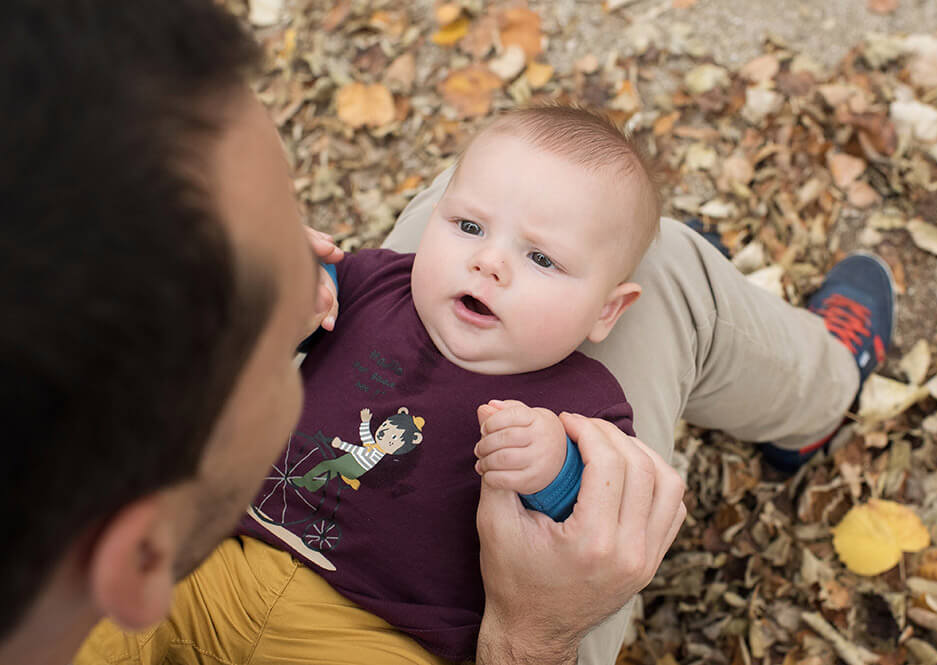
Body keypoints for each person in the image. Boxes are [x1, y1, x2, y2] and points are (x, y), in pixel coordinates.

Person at [0, 3, 686, 665]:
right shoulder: (383, 281)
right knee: (105, 633)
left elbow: (594, 502)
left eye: (541, 258)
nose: (488, 261)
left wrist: (552, 468)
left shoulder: (581, 396)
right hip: (230, 559)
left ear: (608, 311)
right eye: (468, 226)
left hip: (372, 627)